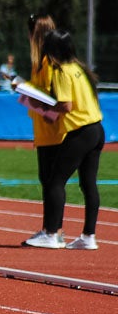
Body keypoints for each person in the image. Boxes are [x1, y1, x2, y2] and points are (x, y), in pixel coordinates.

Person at [22, 30, 103, 250]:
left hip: (80, 130)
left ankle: (51, 234)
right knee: (88, 184)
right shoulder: (80, 69)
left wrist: (43, 107)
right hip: (97, 129)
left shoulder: (61, 71)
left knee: (54, 181)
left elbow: (65, 105)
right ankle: (88, 236)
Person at [20, 14, 68, 248]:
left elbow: (53, 100)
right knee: (47, 179)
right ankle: (51, 229)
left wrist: (29, 94)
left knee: (52, 181)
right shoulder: (39, 63)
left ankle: (54, 231)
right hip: (43, 129)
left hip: (53, 130)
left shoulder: (50, 63)